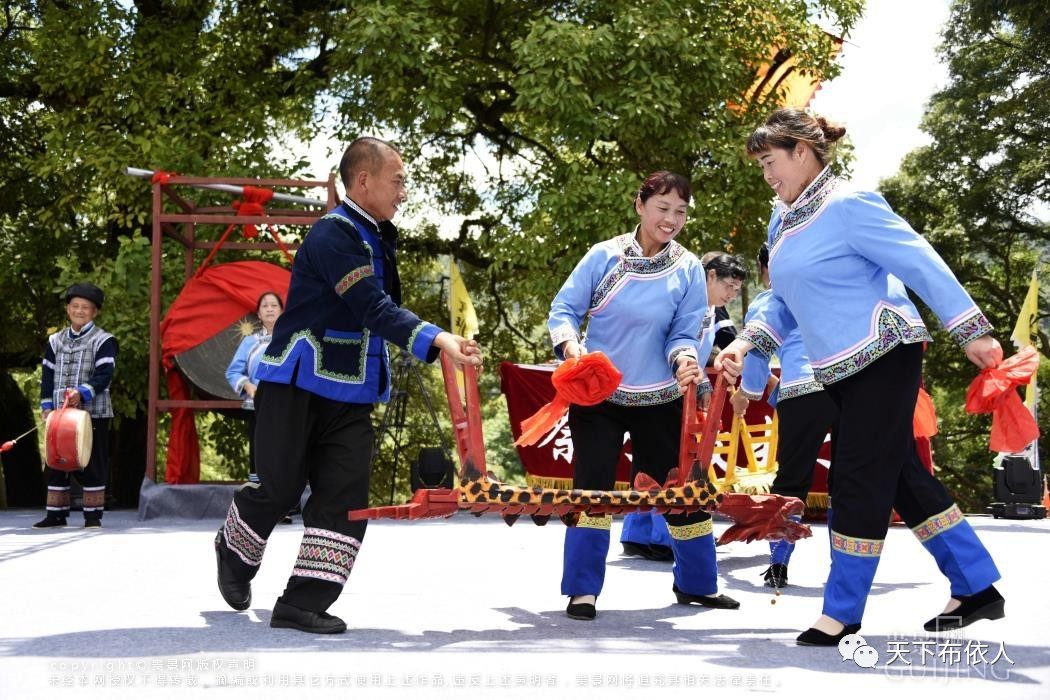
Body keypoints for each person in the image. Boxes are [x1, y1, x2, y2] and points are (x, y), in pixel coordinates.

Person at [715, 109, 1004, 645]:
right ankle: (977, 584)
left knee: (856, 476)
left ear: (802, 151)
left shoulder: (849, 205)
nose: (766, 175)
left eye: (770, 161)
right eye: (760, 165)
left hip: (884, 350)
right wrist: (746, 341)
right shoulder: (781, 221)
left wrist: (972, 330)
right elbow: (781, 298)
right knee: (900, 476)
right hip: (836, 367)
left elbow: (920, 261)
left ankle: (842, 610)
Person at [213, 137, 482, 634]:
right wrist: (439, 337)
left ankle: (302, 601)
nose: (404, 192)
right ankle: (233, 549)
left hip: (353, 389)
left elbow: (376, 314)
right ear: (364, 180)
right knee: (280, 487)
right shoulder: (333, 234)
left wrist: (433, 340)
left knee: (344, 495)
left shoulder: (374, 233)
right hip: (298, 379)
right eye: (397, 181)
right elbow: (371, 307)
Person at [548, 170, 739, 620]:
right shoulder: (603, 256)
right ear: (640, 205)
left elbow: (684, 332)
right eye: (662, 208)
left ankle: (697, 585)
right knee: (592, 490)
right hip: (599, 393)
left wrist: (683, 361)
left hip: (660, 396)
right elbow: (564, 309)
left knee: (681, 489)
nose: (671, 219)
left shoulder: (690, 266)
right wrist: (572, 347)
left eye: (681, 212)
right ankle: (582, 590)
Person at [619, 251, 747, 561]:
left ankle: (637, 533)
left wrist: (700, 382)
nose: (730, 294)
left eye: (737, 290)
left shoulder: (708, 309)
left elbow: (695, 351)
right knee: (673, 463)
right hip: (664, 386)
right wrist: (697, 381)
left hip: (668, 385)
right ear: (711, 275)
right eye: (728, 286)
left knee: (649, 462)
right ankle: (665, 537)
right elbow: (673, 343)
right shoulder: (687, 301)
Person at [729, 242, 836, 588]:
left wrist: (745, 394)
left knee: (791, 483)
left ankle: (778, 566)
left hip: (802, 391)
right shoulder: (827, 290)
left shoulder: (769, 300)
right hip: (846, 387)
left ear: (766, 269)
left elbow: (757, 355)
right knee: (848, 483)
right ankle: (845, 566)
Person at [34, 283, 117, 529]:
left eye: (86, 307)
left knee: (93, 460)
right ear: (68, 308)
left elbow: (105, 374)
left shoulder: (104, 340)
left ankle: (92, 517)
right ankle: (55, 514)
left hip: (94, 412)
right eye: (75, 306)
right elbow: (47, 375)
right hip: (60, 413)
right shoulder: (55, 340)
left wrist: (82, 393)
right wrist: (47, 405)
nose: (80, 311)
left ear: (95, 312)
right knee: (56, 458)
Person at [225, 291, 283, 485]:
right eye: (265, 306)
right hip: (257, 405)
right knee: (259, 450)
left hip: (286, 405)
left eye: (274, 305)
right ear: (258, 314)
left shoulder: (291, 342)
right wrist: (247, 385)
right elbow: (233, 372)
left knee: (285, 450)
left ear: (282, 311)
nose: (269, 309)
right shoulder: (250, 342)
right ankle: (259, 500)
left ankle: (286, 504)